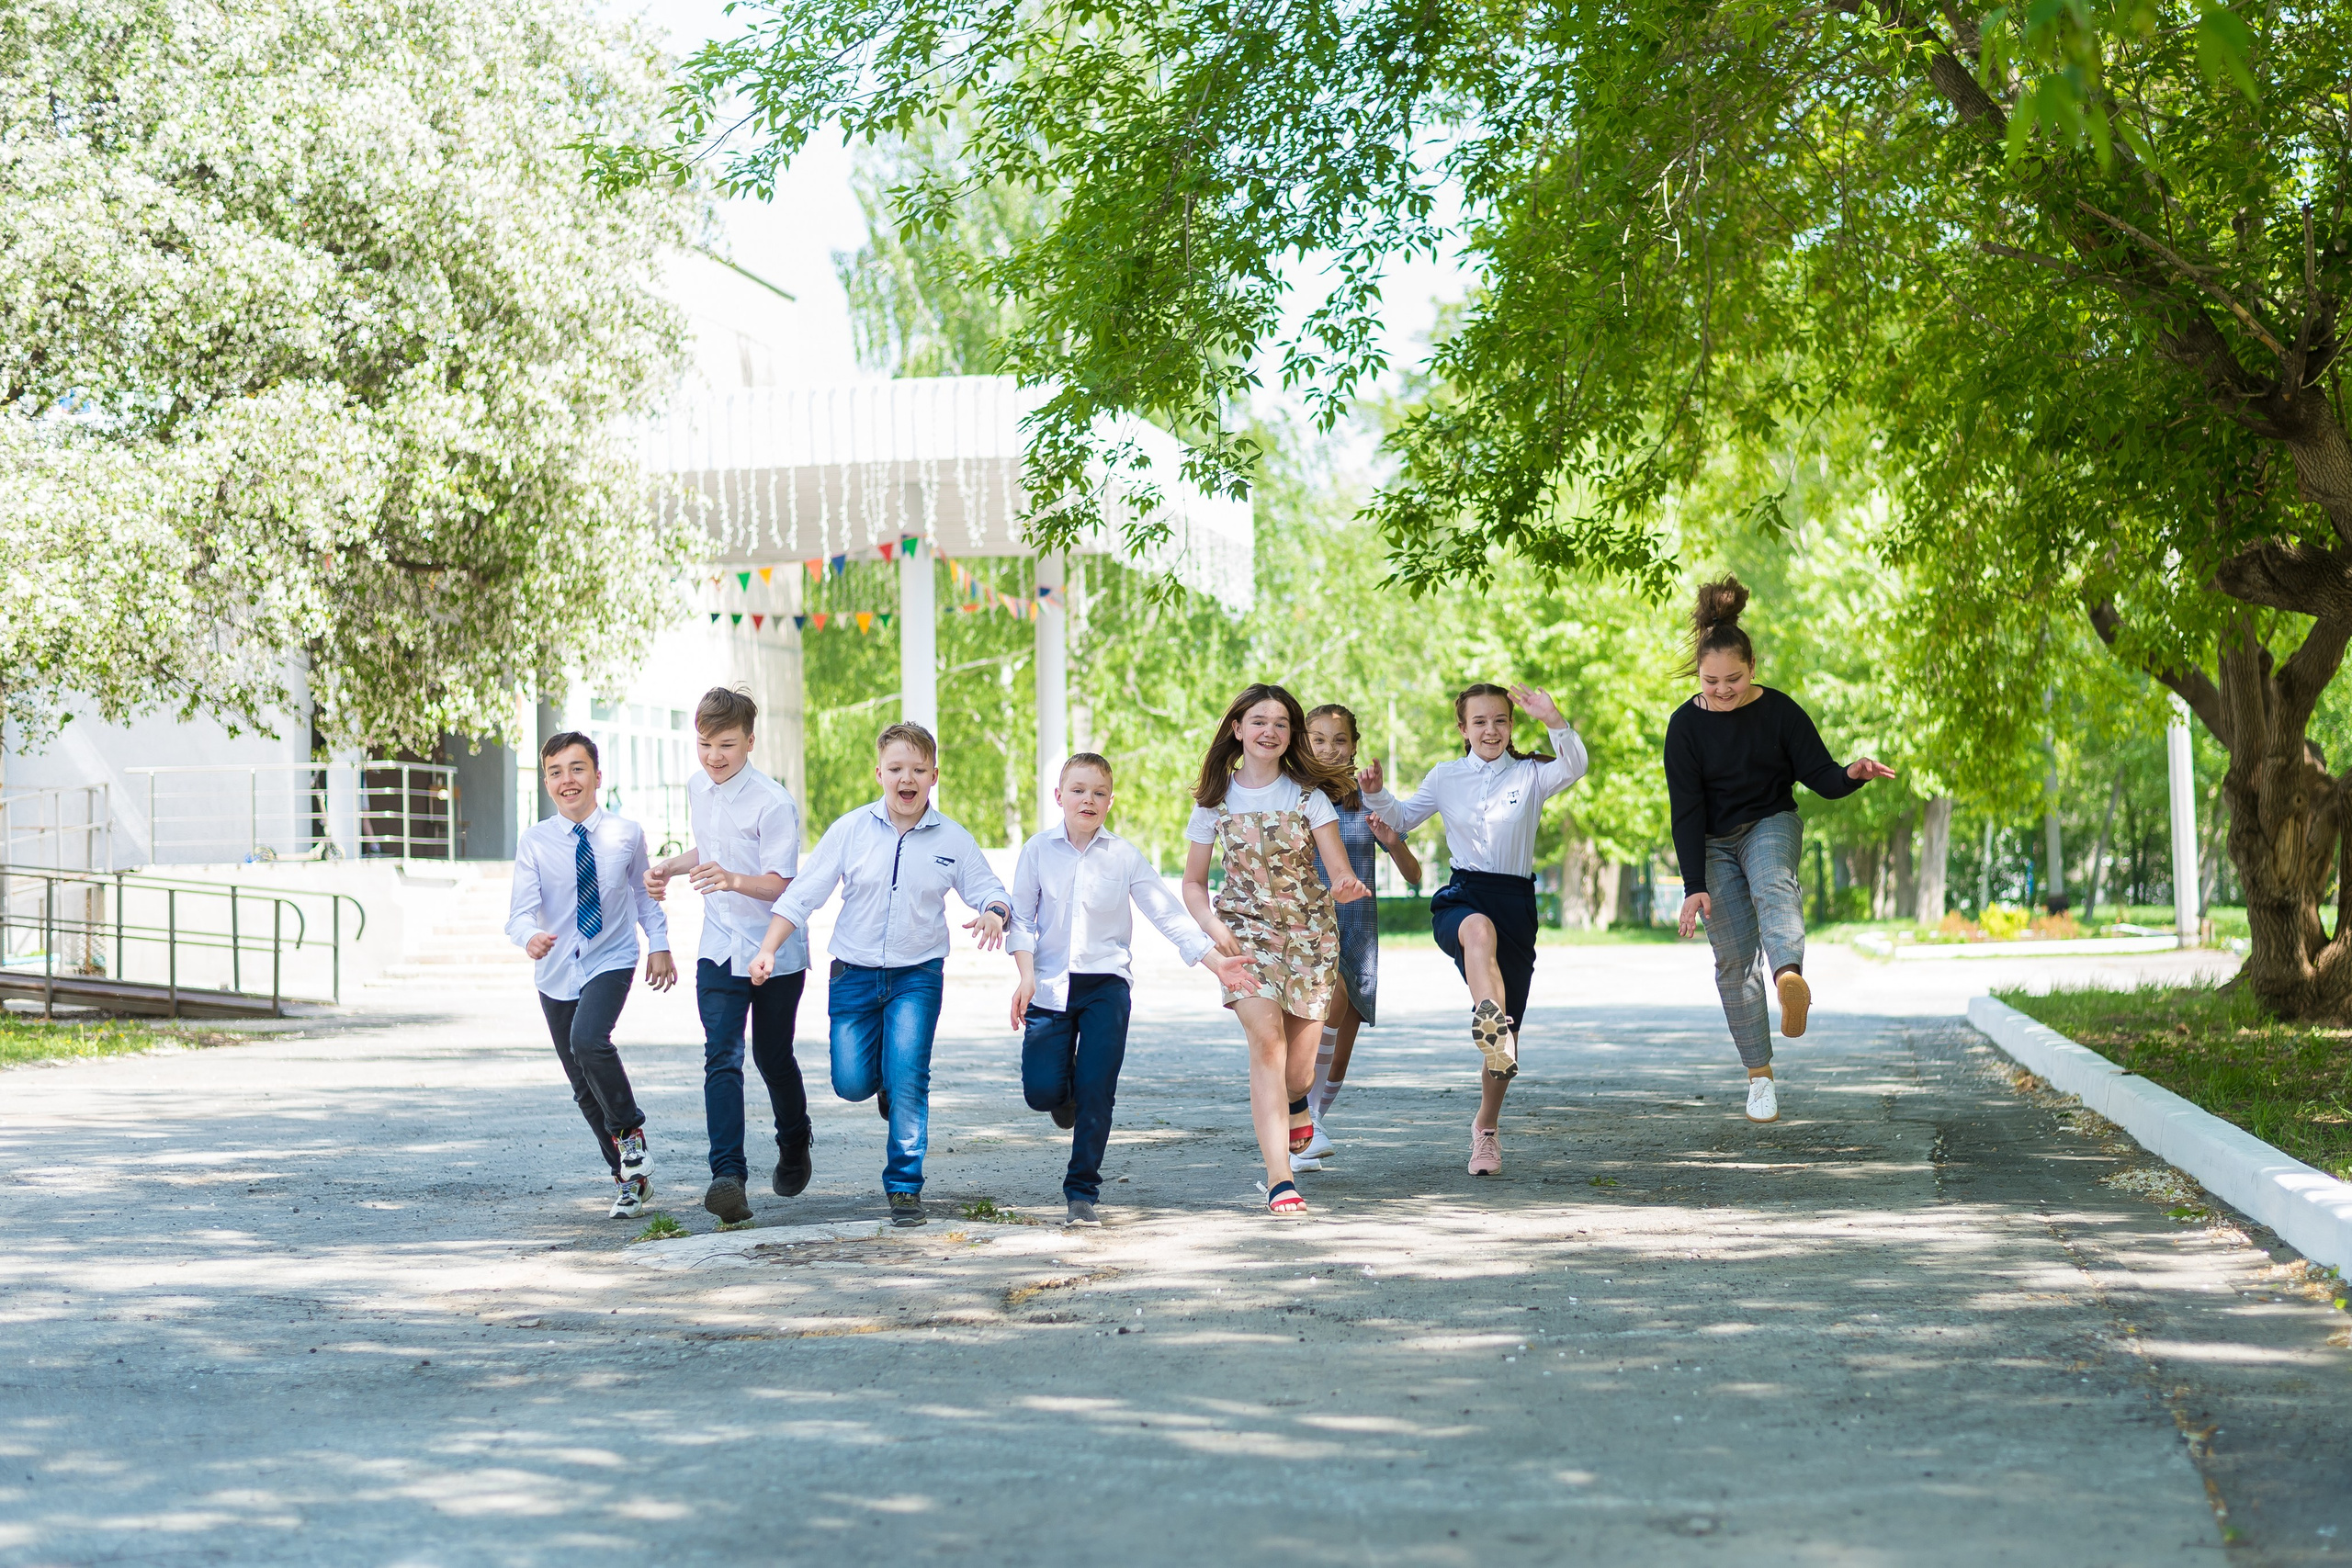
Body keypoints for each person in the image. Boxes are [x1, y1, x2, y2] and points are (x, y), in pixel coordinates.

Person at [749, 722, 1010, 1227]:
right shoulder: (850, 831)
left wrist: (995, 912)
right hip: (853, 975)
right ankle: (885, 1083)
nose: (906, 779)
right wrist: (768, 949)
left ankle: (905, 1187)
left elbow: (989, 889)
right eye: (896, 769)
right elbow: (802, 895)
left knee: (910, 1076)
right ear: (879, 774)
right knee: (850, 1083)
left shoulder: (952, 838)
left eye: (918, 770)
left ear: (934, 776)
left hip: (917, 977)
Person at [1665, 575, 1895, 1123]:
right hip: (1711, 844)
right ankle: (1760, 1078)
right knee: (1733, 960)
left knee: (1774, 881)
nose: (1723, 690)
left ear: (1753, 667)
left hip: (1770, 821)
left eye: (1734, 679)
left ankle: (1789, 978)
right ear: (1698, 674)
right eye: (1711, 681)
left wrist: (1853, 773)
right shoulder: (1685, 727)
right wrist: (1694, 885)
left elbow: (1822, 776)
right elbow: (1686, 811)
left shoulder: (1780, 712)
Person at [1007, 753, 1253, 1226]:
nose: (1088, 800)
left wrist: (1215, 963)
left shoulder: (1123, 855)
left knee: (1097, 1088)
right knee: (1042, 1092)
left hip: (1106, 985)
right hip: (1049, 984)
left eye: (1099, 793)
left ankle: (1082, 1193)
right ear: (1059, 796)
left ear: (1110, 801)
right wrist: (1025, 974)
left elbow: (1166, 913)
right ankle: (1066, 1095)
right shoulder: (1037, 851)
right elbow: (1020, 919)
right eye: (1078, 790)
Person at [1361, 682, 1587, 1177]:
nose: (1491, 730)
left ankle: (1486, 1127)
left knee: (1507, 1044)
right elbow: (1403, 817)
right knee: (1478, 931)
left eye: (1500, 720)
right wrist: (1375, 792)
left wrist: (1553, 719)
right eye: (1480, 722)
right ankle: (1492, 1022)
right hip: (1463, 897)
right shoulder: (1446, 776)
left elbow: (1575, 765)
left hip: (1515, 903)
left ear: (1511, 725)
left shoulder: (1531, 774)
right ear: (1463, 729)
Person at [1181, 684, 1374, 1218]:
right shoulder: (1214, 802)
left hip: (1310, 937)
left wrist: (1345, 886)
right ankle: (1279, 1178)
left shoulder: (1308, 797)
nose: (1269, 731)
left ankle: (1296, 1102)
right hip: (1244, 935)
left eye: (1281, 723)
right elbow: (1193, 882)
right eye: (1258, 721)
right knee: (1267, 1043)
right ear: (1238, 729)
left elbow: (1337, 870)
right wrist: (1211, 926)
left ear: (1291, 736)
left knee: (1300, 1073)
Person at [644, 686, 811, 1227]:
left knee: (772, 1056)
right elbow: (710, 849)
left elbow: (782, 884)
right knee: (721, 1055)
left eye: (726, 745)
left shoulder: (773, 802)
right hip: (718, 945)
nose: (714, 756)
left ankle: (795, 1141)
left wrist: (733, 880)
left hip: (774, 948)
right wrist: (670, 867)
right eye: (705, 744)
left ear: (750, 742)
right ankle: (728, 1178)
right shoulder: (699, 787)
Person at [505, 731, 677, 1218]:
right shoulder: (535, 842)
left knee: (588, 1040)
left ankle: (630, 1132)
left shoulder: (627, 834)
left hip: (611, 957)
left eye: (577, 768)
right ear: (546, 783)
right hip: (556, 969)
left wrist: (659, 944)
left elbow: (644, 895)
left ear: (597, 776)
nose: (568, 780)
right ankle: (629, 1180)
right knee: (583, 1088)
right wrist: (529, 937)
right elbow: (518, 914)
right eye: (556, 772)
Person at [1295, 704, 1421, 1169]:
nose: (1329, 749)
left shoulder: (1369, 800)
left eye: (1339, 740)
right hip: (1308, 931)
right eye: (1318, 739)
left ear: (1354, 746)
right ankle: (1303, 1128)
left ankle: (1309, 1127)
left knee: (1339, 1058)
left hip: (1357, 932)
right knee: (1330, 1004)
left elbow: (1413, 875)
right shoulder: (1292, 796)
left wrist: (1392, 840)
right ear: (1303, 743)